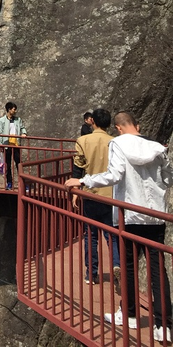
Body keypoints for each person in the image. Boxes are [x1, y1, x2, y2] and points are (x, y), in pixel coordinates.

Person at [66, 111, 173, 341]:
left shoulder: (118, 144)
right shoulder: (156, 147)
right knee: (157, 270)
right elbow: (168, 177)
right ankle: (163, 326)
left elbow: (115, 174)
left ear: (119, 128)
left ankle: (130, 315)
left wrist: (83, 181)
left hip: (130, 215)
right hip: (155, 215)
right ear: (138, 125)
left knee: (129, 267)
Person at [70, 108, 120, 285]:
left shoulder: (83, 140)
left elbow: (78, 168)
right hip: (111, 195)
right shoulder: (115, 142)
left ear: (93, 122)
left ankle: (91, 274)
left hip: (90, 194)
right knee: (112, 235)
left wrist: (76, 190)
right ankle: (116, 265)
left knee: (90, 235)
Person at [0, 102, 27, 190]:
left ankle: (22, 183)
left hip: (16, 145)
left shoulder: (18, 119)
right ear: (9, 110)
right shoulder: (2, 120)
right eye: (14, 109)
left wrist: (24, 133)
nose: (15, 111)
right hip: (7, 145)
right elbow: (0, 132)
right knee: (8, 165)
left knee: (19, 164)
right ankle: (9, 183)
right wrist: (0, 145)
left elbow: (22, 127)